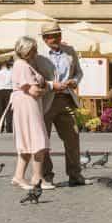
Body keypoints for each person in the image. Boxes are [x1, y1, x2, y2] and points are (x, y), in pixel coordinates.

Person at [35, 23, 90, 188]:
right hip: (46, 100)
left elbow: (79, 72)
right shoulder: (38, 55)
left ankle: (75, 175)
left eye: (58, 35)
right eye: (52, 36)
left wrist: (75, 81)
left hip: (66, 99)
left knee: (73, 138)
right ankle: (46, 176)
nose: (56, 39)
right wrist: (52, 84)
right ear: (45, 38)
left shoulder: (70, 51)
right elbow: (35, 77)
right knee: (43, 141)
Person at [10, 36, 50, 189]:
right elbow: (33, 91)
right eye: (33, 49)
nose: (36, 52)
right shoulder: (22, 66)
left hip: (26, 105)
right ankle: (36, 177)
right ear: (26, 50)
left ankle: (20, 176)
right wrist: (47, 88)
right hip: (27, 105)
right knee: (37, 140)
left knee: (28, 140)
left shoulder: (23, 65)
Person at [0, 62, 14, 133]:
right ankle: (9, 128)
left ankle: (0, 128)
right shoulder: (11, 73)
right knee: (9, 110)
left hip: (0, 91)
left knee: (0, 110)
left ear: (1, 66)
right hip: (9, 91)